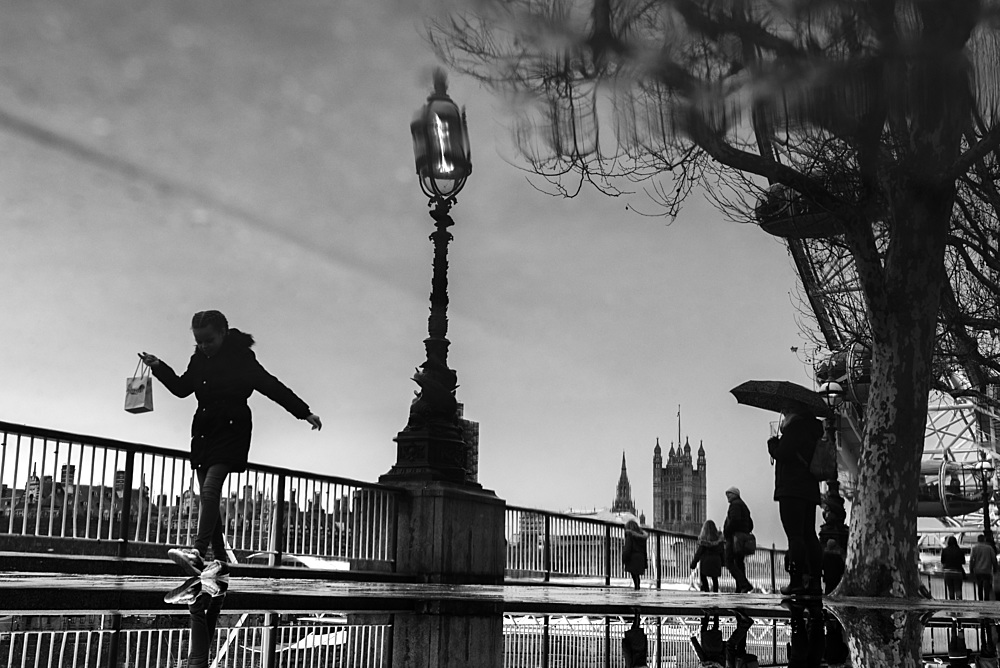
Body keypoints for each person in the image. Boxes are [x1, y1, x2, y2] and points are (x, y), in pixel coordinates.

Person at [140, 310, 322, 575]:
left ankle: (198, 553)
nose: (204, 346)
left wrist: (304, 412)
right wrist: (158, 366)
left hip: (231, 430)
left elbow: (271, 386)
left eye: (209, 340)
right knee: (207, 496)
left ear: (224, 333)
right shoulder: (199, 359)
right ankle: (221, 560)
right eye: (199, 341)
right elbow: (181, 388)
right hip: (204, 432)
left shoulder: (242, 359)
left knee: (211, 489)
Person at [767, 402, 824, 596]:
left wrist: (773, 445)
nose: (783, 414)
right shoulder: (812, 430)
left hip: (792, 489)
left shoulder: (796, 429)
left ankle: (796, 581)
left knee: (795, 536)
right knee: (809, 535)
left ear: (794, 413)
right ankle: (815, 581)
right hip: (809, 489)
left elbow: (784, 453)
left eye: (786, 411)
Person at [722, 487, 754, 593]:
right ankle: (740, 587)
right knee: (739, 562)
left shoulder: (735, 505)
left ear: (735, 494)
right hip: (742, 537)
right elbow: (750, 523)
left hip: (734, 538)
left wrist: (727, 532)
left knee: (729, 562)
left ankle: (744, 584)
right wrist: (745, 531)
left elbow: (734, 521)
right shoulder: (743, 505)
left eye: (729, 494)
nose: (728, 497)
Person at [690, 519, 725, 592]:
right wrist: (723, 562)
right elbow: (722, 552)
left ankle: (706, 590)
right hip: (716, 561)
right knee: (715, 579)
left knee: (703, 577)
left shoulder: (703, 542)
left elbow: (698, 554)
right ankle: (715, 593)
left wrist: (693, 563)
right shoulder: (719, 541)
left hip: (706, 562)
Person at [622, 519, 648, 591]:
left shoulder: (630, 535)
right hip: (641, 558)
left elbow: (628, 548)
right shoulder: (642, 537)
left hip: (632, 558)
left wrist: (624, 557)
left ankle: (637, 587)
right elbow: (645, 550)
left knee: (634, 575)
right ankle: (637, 587)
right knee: (637, 575)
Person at [969, 534, 997, 601]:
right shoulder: (989, 548)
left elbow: (972, 560)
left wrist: (971, 569)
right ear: (984, 540)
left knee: (979, 586)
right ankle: (986, 600)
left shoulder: (974, 548)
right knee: (986, 587)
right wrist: (995, 568)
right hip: (987, 570)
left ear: (978, 540)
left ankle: (980, 600)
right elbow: (994, 559)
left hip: (978, 570)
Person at [941, 535, 966, 600]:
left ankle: (951, 602)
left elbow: (942, 561)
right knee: (958, 588)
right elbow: (963, 562)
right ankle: (959, 601)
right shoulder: (960, 551)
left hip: (947, 572)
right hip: (957, 571)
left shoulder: (944, 550)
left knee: (950, 589)